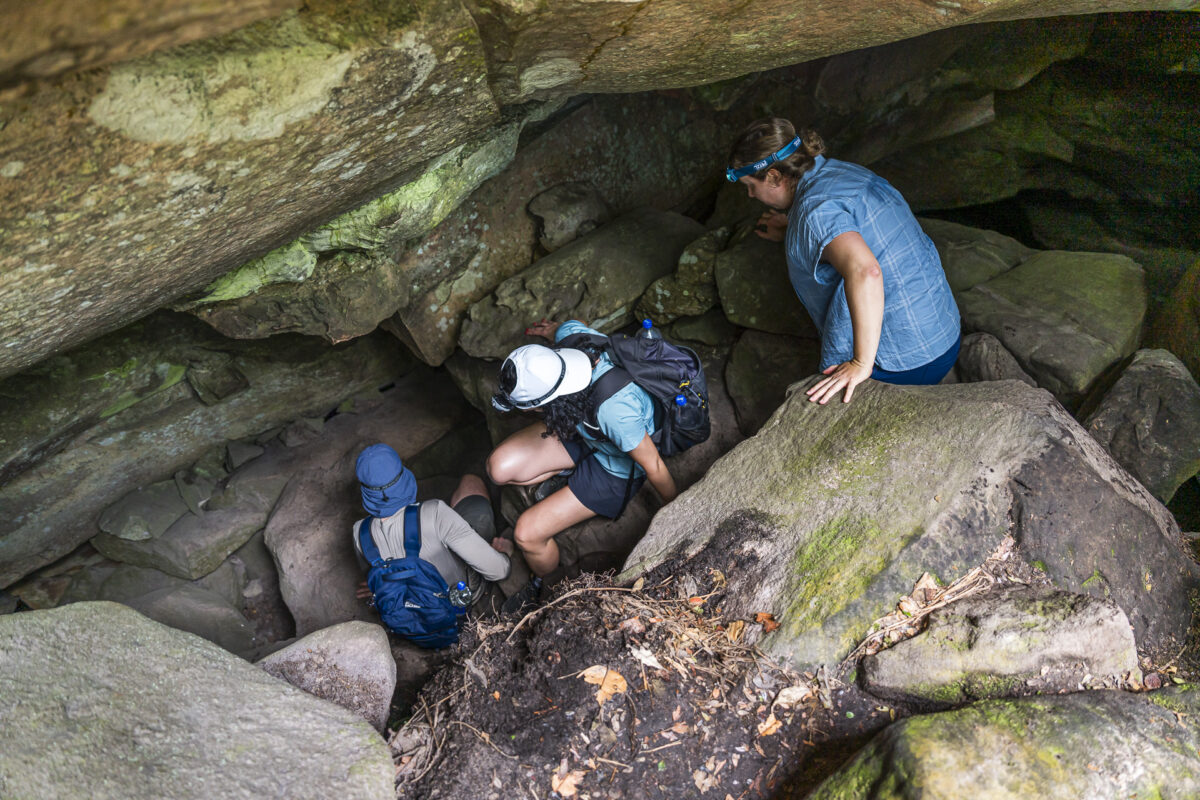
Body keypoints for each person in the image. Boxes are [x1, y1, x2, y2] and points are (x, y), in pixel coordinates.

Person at [726, 117, 961, 404]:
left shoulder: (815, 215)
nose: (750, 194)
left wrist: (861, 364)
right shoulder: (841, 172)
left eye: (750, 185)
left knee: (813, 403)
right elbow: (845, 222)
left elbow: (866, 271)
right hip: (944, 335)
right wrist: (793, 228)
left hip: (905, 362)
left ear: (774, 177)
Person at [487, 320, 677, 611]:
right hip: (582, 428)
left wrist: (678, 512)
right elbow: (563, 328)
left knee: (526, 535)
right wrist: (550, 330)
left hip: (614, 467)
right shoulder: (570, 337)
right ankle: (568, 471)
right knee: (498, 468)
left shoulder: (615, 410)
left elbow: (654, 466)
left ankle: (549, 585)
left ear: (542, 402)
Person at [352, 443, 512, 615]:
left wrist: (379, 587)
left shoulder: (359, 532)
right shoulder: (434, 512)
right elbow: (499, 572)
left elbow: (377, 576)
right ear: (404, 477)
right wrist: (504, 554)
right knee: (471, 483)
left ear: (365, 492)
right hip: (459, 599)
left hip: (412, 612)